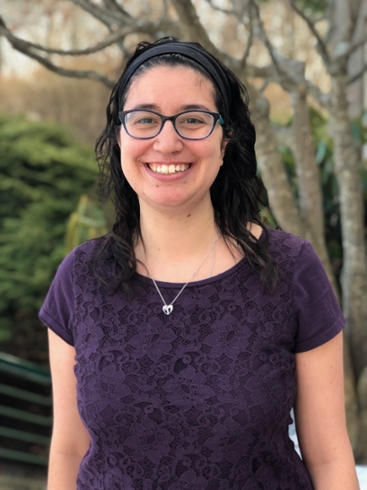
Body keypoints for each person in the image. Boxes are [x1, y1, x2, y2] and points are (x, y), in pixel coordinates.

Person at [39, 37, 359, 490]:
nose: (166, 142)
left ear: (225, 139)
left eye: (193, 120)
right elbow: (69, 450)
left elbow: (329, 459)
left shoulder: (290, 269)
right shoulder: (81, 277)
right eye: (145, 120)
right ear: (118, 137)